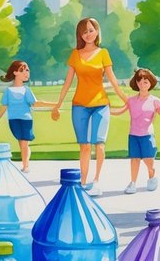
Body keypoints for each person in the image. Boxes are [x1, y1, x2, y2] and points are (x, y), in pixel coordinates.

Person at [50, 18, 129, 196]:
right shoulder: (75, 54)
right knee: (84, 146)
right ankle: (83, 182)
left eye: (91, 30)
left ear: (97, 31)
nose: (88, 34)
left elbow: (113, 80)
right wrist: (58, 104)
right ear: (80, 35)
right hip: (79, 105)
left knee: (99, 144)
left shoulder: (103, 53)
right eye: (84, 31)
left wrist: (125, 98)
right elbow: (68, 82)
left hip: (101, 104)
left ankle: (96, 181)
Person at [112, 68, 160, 194]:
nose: (142, 83)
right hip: (133, 135)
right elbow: (120, 111)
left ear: (150, 83)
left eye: (145, 81)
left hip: (147, 135)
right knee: (134, 159)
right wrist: (107, 110)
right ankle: (133, 183)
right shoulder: (131, 100)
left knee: (148, 160)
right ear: (136, 83)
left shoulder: (155, 100)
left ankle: (152, 176)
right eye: (139, 81)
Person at [0, 60, 54, 172]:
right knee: (22, 143)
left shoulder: (26, 90)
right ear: (15, 73)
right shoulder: (8, 91)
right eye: (22, 70)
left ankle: (25, 165)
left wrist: (54, 104)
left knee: (24, 143)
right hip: (13, 121)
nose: (26, 73)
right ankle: (26, 163)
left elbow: (35, 103)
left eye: (27, 70)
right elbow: (3, 108)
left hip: (26, 120)